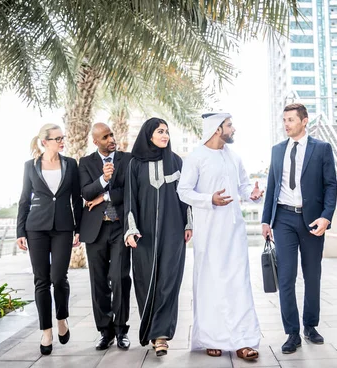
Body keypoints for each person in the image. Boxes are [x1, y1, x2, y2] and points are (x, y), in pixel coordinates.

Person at [177, 112, 263, 361]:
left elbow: (243, 187)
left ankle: (243, 340)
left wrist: (253, 194)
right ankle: (211, 339)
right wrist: (208, 199)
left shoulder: (234, 156)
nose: (233, 129)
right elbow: (183, 191)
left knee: (239, 285)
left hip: (235, 233)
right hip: (209, 233)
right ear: (217, 129)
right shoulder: (196, 157)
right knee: (211, 284)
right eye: (229, 125)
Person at [261, 103, 337, 353]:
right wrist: (265, 220)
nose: (286, 124)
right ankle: (292, 332)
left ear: (305, 121)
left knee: (312, 275)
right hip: (283, 218)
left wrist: (326, 217)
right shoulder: (276, 150)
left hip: (313, 220)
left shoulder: (322, 149)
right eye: (284, 119)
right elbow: (272, 186)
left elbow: (331, 186)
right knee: (286, 277)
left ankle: (311, 326)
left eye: (291, 119)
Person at [124, 117, 192, 357]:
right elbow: (130, 200)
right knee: (145, 280)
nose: (165, 135)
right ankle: (153, 332)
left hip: (173, 230)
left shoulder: (176, 161)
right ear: (148, 135)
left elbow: (185, 196)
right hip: (144, 233)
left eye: (167, 131)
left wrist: (188, 224)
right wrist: (130, 230)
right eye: (160, 131)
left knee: (168, 283)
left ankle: (161, 335)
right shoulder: (134, 164)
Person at [16, 123, 82, 355]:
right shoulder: (30, 166)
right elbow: (24, 199)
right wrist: (20, 232)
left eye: (63, 138)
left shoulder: (70, 164)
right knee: (41, 280)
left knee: (59, 277)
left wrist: (78, 229)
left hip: (63, 228)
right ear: (45, 142)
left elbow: (76, 198)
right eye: (57, 138)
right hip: (36, 228)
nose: (62, 141)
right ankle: (46, 331)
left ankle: (61, 318)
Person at [78, 123, 132, 350]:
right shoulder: (86, 163)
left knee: (119, 278)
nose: (111, 139)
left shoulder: (127, 160)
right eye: (105, 137)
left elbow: (131, 190)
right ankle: (105, 331)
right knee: (98, 281)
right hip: (95, 229)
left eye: (111, 134)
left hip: (119, 227)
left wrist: (105, 196)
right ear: (95, 141)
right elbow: (85, 192)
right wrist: (102, 179)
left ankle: (121, 330)